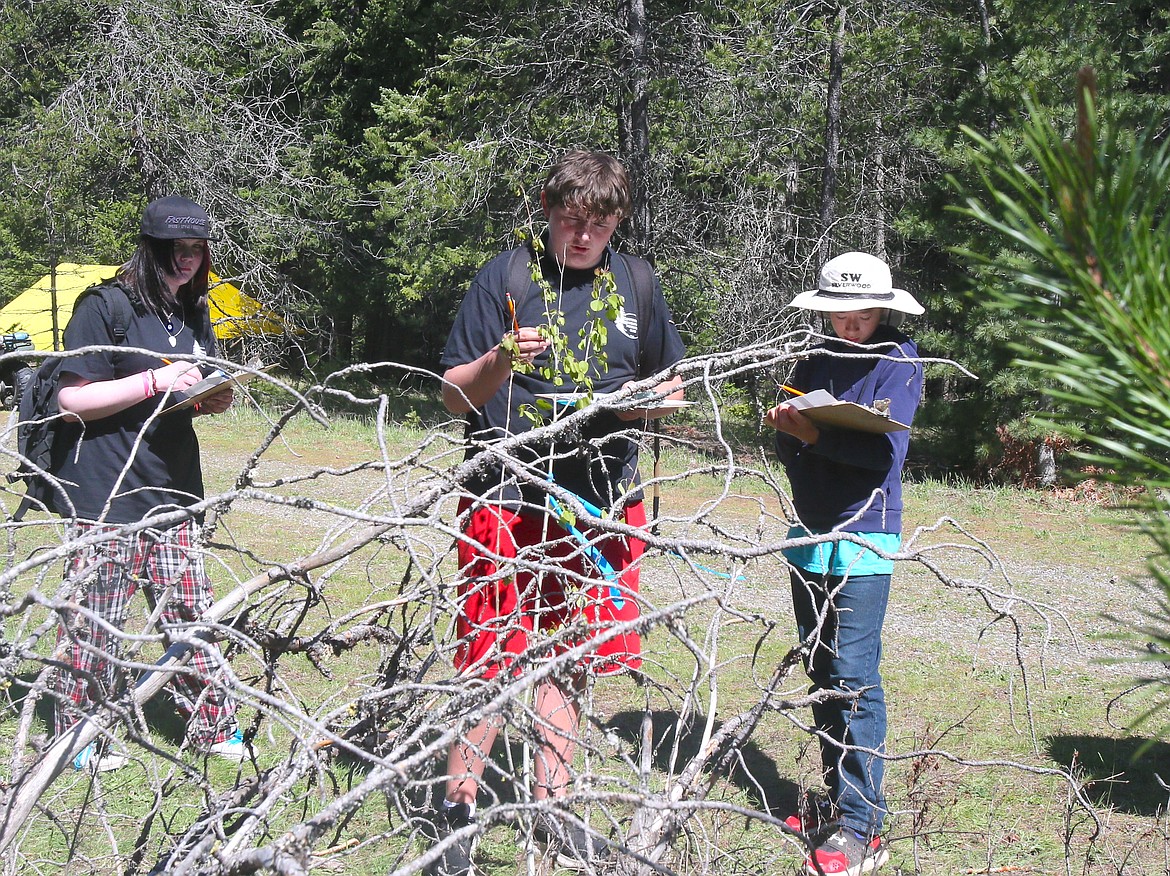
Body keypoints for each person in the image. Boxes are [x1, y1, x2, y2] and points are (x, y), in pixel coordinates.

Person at [431, 149, 686, 874]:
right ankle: (459, 811)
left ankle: (553, 809)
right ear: (547, 212)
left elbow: (670, 384)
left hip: (601, 503)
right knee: (488, 653)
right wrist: (501, 362)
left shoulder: (635, 282)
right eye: (572, 222)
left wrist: (640, 401)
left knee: (572, 657)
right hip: (506, 498)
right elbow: (453, 394)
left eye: (599, 227)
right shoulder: (506, 277)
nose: (583, 239)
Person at [48, 195, 245, 772]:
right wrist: (155, 381)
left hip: (173, 485)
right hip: (106, 488)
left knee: (190, 608)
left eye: (196, 250)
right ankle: (80, 736)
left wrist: (207, 398)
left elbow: (189, 383)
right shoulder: (105, 306)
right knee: (96, 616)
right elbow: (70, 402)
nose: (187, 261)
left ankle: (212, 725)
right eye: (175, 250)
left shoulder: (194, 311)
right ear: (151, 248)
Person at [763, 252, 925, 876]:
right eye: (839, 311)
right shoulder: (815, 358)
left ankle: (862, 826)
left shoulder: (900, 359)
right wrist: (794, 430)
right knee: (819, 665)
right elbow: (785, 439)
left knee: (855, 673)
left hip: (865, 538)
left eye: (862, 310)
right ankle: (837, 798)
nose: (851, 320)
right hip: (810, 533)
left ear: (883, 307)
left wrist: (815, 437)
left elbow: (884, 458)